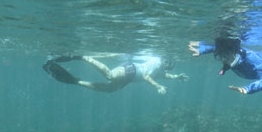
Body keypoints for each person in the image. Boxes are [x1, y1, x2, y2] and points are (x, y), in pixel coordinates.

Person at [43, 54, 187, 94]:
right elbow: (146, 76)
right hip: (131, 69)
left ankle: (76, 81)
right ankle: (84, 57)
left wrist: (176, 77)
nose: (165, 69)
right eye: (165, 66)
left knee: (110, 89)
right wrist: (157, 86)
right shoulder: (156, 61)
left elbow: (162, 75)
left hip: (129, 78)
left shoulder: (161, 69)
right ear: (164, 62)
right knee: (110, 75)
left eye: (167, 69)